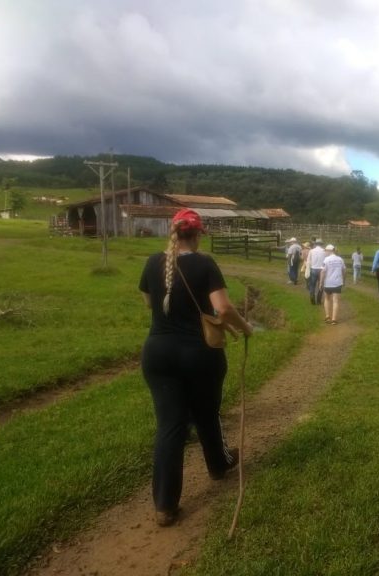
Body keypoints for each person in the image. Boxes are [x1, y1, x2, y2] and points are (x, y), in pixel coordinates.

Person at [139, 208, 253, 526]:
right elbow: (223, 308)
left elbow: (149, 302)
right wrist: (245, 328)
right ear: (198, 234)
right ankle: (219, 464)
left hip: (158, 353)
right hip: (199, 353)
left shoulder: (152, 262)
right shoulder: (204, 263)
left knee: (170, 426)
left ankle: (164, 505)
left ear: (173, 234)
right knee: (207, 412)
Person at [320, 243, 345, 324]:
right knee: (335, 301)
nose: (325, 252)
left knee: (327, 299)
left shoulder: (326, 260)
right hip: (337, 283)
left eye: (326, 251)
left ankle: (327, 316)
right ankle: (334, 319)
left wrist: (321, 282)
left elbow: (323, 272)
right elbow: (344, 271)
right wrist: (343, 280)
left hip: (328, 283)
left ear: (329, 251)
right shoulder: (340, 259)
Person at [307, 239, 326, 305]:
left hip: (313, 269)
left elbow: (308, 261)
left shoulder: (311, 251)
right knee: (320, 285)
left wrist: (308, 270)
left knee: (312, 285)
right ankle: (318, 300)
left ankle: (312, 297)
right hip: (321, 270)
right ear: (321, 244)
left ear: (316, 244)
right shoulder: (324, 251)